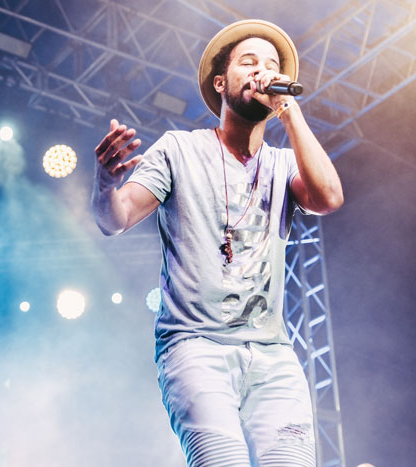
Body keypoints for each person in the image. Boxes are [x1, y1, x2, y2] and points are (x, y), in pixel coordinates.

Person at [92, 19, 343, 467]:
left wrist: (290, 112)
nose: (262, 71)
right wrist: (105, 183)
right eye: (249, 62)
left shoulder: (284, 164)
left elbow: (328, 198)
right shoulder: (178, 149)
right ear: (220, 82)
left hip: (272, 355)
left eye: (271, 65)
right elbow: (117, 218)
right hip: (195, 346)